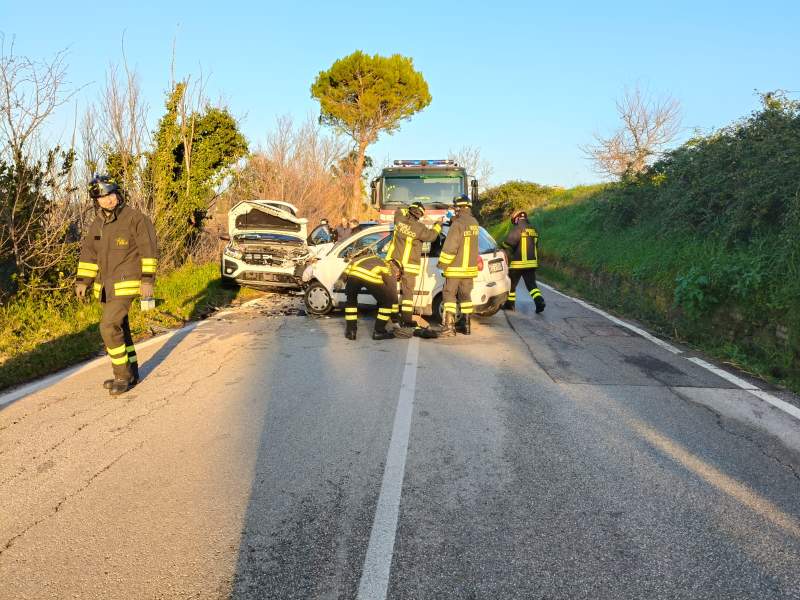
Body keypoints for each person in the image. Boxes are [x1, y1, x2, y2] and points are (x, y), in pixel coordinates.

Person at [75, 175, 158, 397]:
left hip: (127, 284)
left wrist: (148, 281)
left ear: (118, 194)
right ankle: (132, 372)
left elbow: (148, 251)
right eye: (102, 197)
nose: (108, 200)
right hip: (104, 287)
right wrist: (83, 281)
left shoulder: (135, 219)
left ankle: (122, 376)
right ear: (96, 200)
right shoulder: (97, 223)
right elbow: (89, 255)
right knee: (121, 328)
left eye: (110, 195)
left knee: (108, 327)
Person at [384, 201, 442, 338]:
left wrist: (404, 207)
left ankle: (394, 318)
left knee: (392, 292)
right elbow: (433, 236)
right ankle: (407, 321)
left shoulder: (399, 220)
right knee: (408, 295)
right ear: (421, 215)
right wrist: (438, 224)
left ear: (409, 211)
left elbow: (398, 210)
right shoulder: (420, 228)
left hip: (395, 264)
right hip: (409, 267)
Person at [436, 195, 479, 337]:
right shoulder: (474, 222)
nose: (455, 209)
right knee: (465, 295)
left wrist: (442, 265)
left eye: (456, 207)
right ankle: (466, 326)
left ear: (460, 207)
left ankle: (449, 327)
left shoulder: (458, 224)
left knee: (448, 293)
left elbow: (450, 247)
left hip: (455, 268)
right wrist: (453, 220)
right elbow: (463, 227)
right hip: (469, 269)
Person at [343, 254, 401, 341]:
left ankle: (351, 332)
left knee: (351, 301)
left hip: (354, 273)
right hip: (370, 275)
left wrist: (342, 278)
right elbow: (393, 295)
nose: (397, 277)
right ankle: (379, 332)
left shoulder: (373, 256)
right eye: (399, 275)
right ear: (398, 269)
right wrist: (395, 318)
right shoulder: (391, 268)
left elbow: (352, 262)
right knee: (387, 301)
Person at [502, 209, 546, 313]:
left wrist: (501, 247)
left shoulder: (518, 229)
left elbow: (508, 243)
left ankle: (510, 304)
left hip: (518, 263)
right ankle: (540, 302)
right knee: (532, 285)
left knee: (511, 284)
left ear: (517, 218)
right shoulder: (534, 230)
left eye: (515, 220)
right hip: (532, 263)